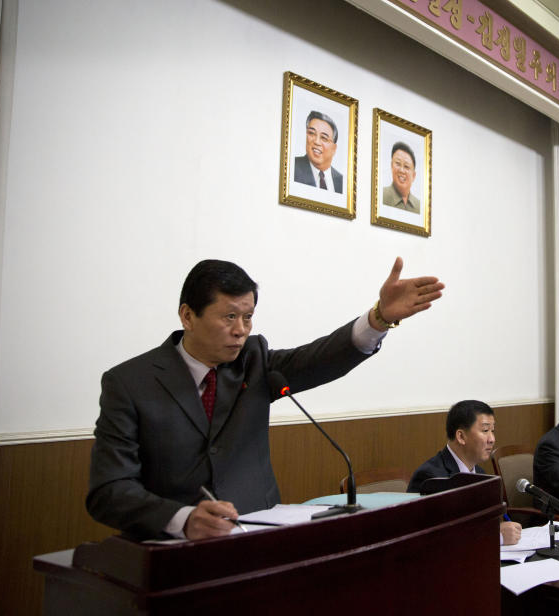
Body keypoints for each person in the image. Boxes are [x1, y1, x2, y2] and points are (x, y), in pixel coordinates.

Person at [87, 257, 443, 540]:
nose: (241, 330)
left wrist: (378, 319)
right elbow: (110, 490)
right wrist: (181, 519)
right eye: (229, 317)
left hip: (261, 540)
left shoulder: (253, 360)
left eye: (247, 317)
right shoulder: (130, 383)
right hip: (174, 552)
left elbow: (316, 359)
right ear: (187, 316)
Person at [407, 400, 522, 545]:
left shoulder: (480, 473)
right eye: (485, 431)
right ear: (461, 436)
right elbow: (433, 538)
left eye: (493, 431)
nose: (492, 439)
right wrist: (495, 536)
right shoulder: (431, 477)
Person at [293, 110, 343, 193]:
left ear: (334, 148)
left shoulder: (342, 182)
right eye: (311, 133)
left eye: (324, 138)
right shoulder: (292, 167)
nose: (316, 142)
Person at [380, 142, 420, 214]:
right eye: (398, 164)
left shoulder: (419, 206)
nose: (401, 170)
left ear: (413, 176)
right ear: (391, 166)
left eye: (406, 166)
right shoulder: (380, 195)